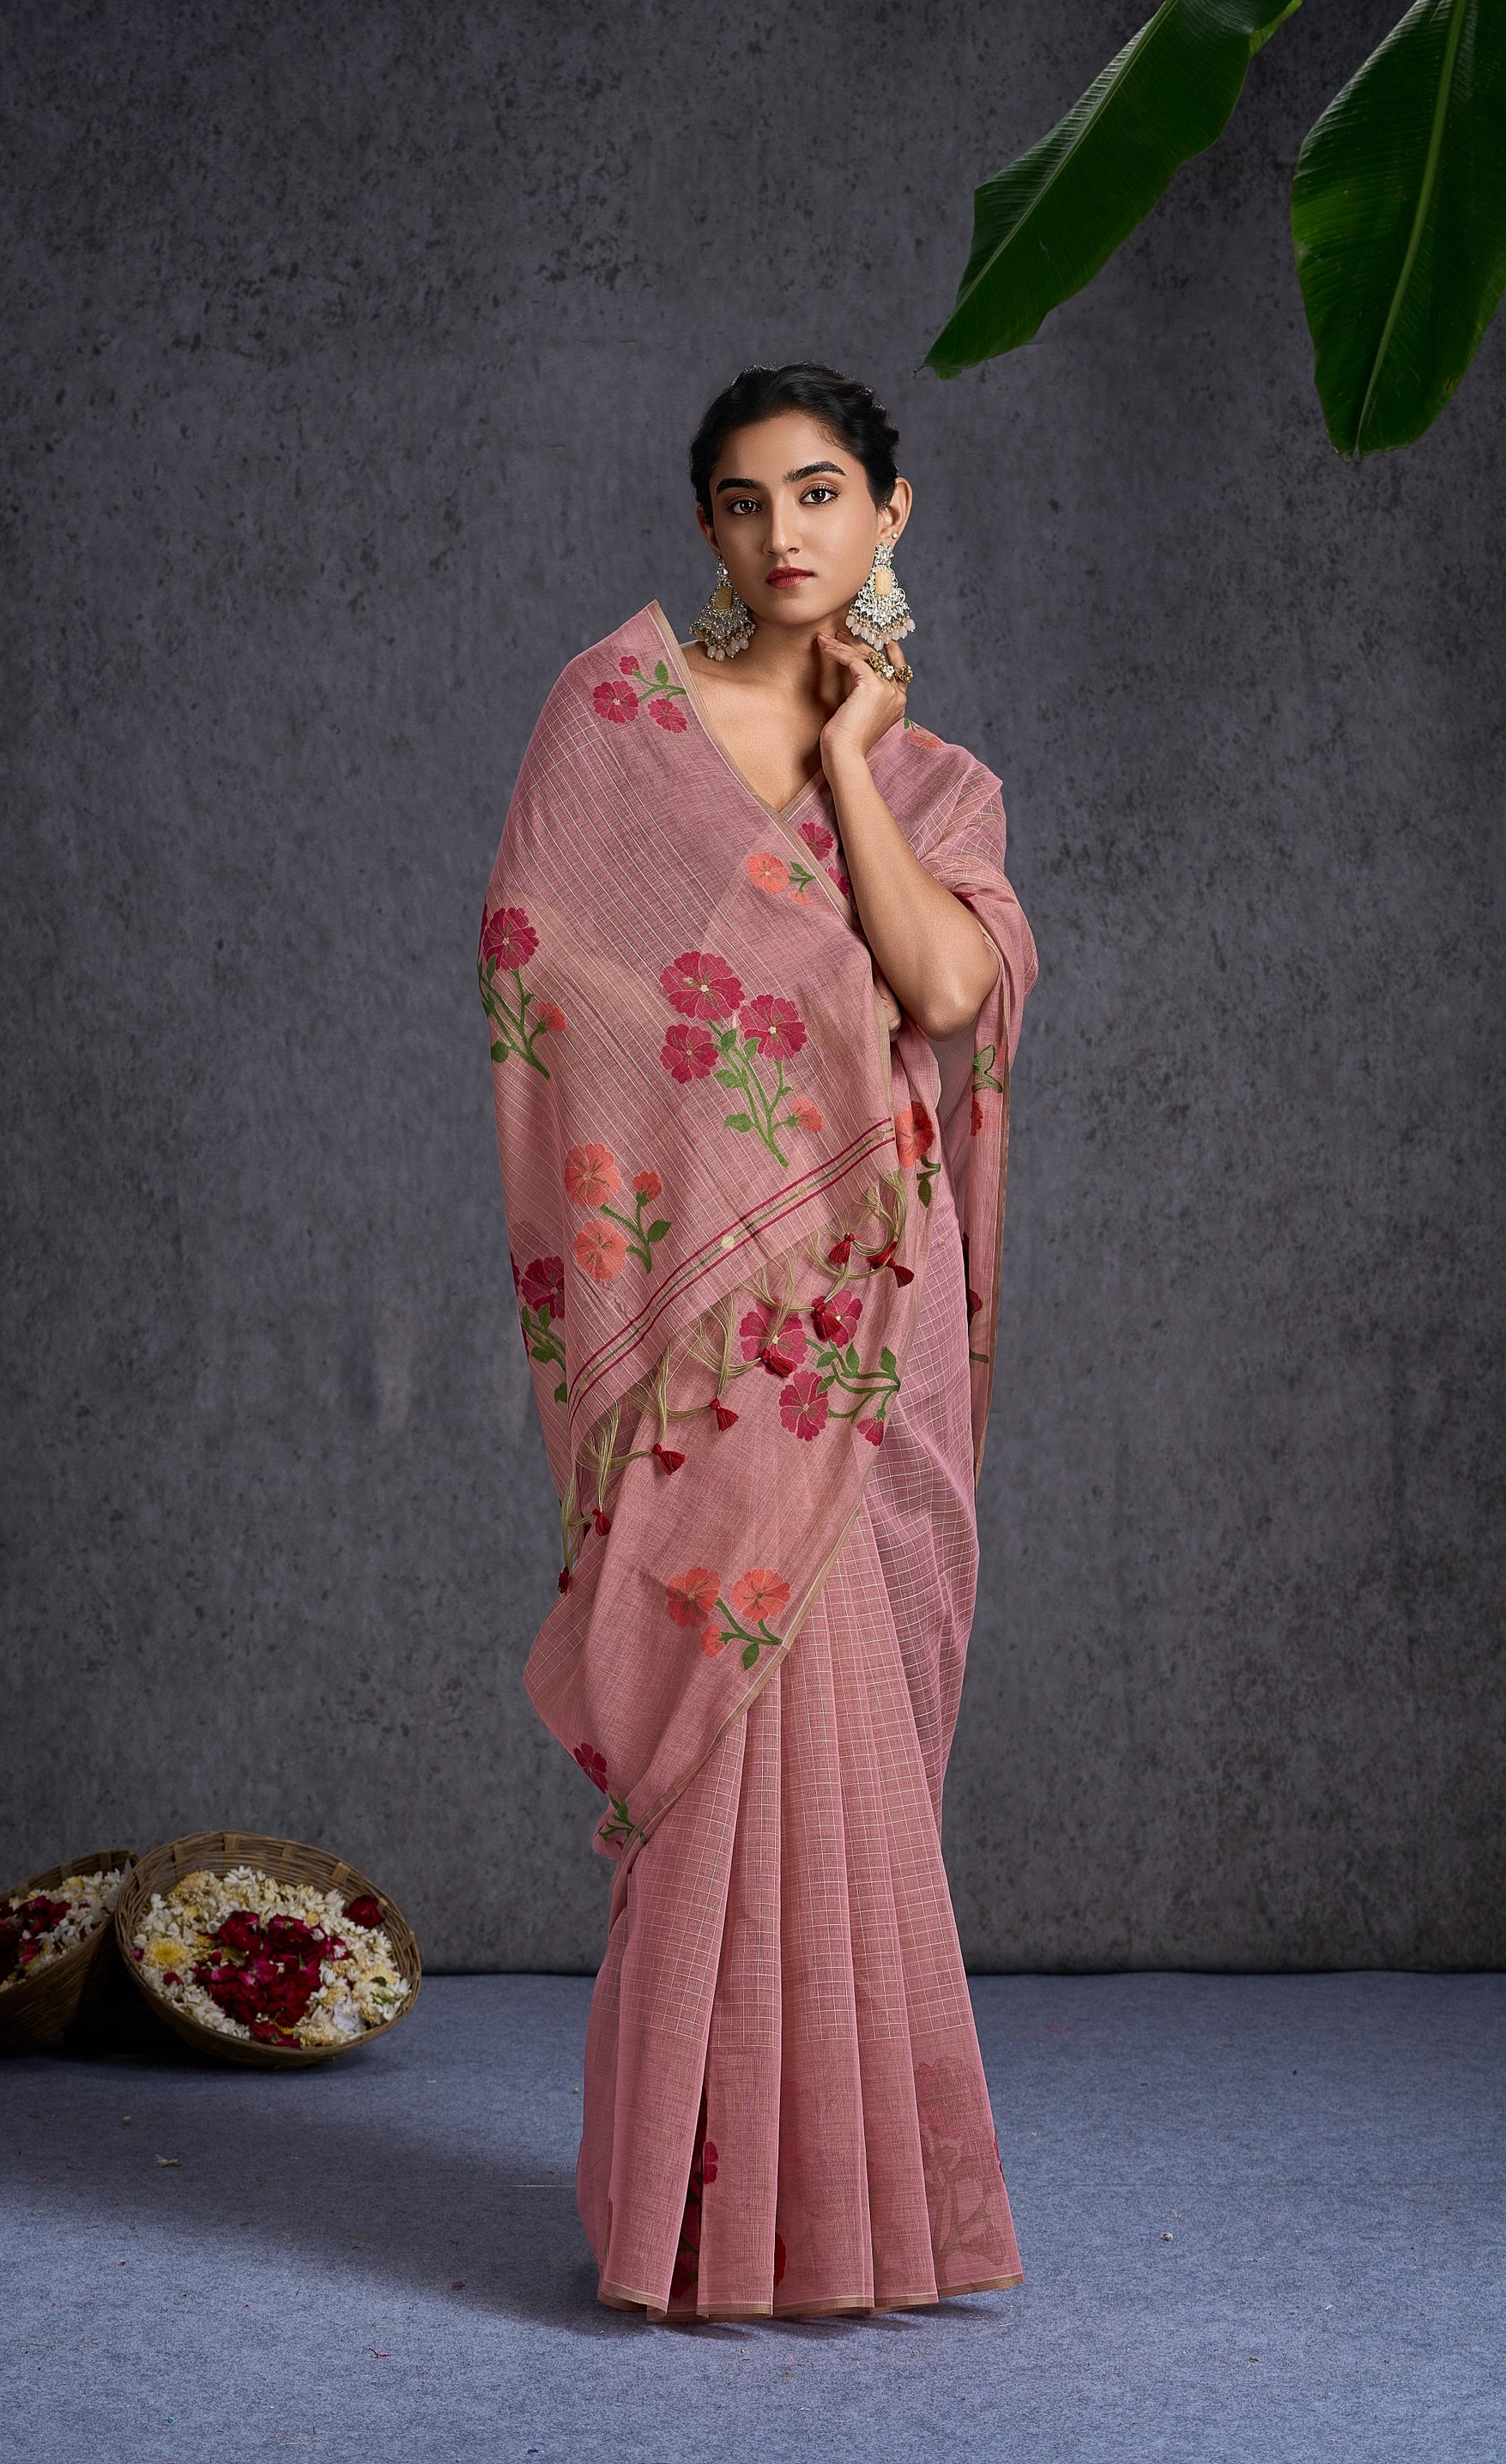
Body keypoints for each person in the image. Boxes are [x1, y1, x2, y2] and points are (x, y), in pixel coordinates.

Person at [481, 363, 1036, 2320]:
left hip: (874, 1320)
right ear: (705, 528)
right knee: (722, 1740)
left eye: (817, 493)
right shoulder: (615, 721)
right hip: (710, 1342)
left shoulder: (940, 779)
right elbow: (548, 977)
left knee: (865, 1738)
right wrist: (729, 1186)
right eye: (741, 502)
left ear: (891, 511)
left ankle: (858, 2220)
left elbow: (942, 984)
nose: (781, 534)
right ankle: (694, 2224)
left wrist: (853, 758)